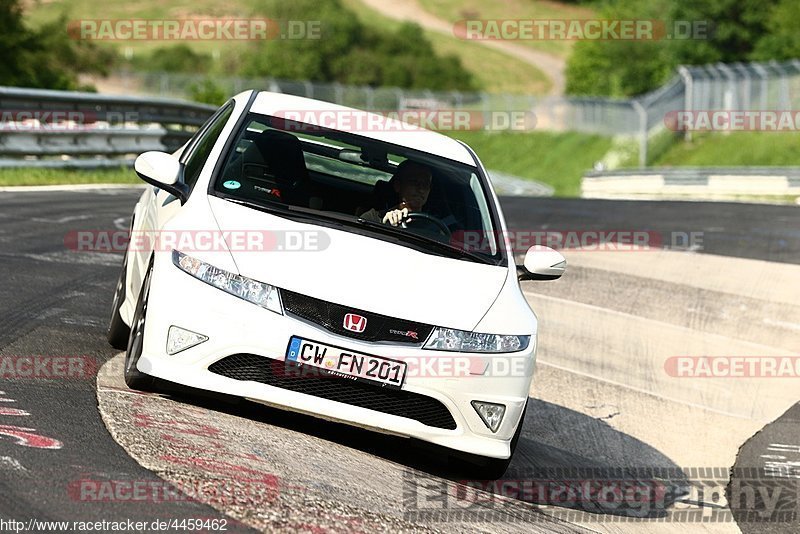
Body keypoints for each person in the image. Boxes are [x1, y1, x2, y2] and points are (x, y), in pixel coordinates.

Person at [360, 160, 432, 226]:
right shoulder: (373, 218)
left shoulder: (435, 227)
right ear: (398, 186)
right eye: (414, 182)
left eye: (426, 184)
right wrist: (386, 224)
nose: (421, 189)